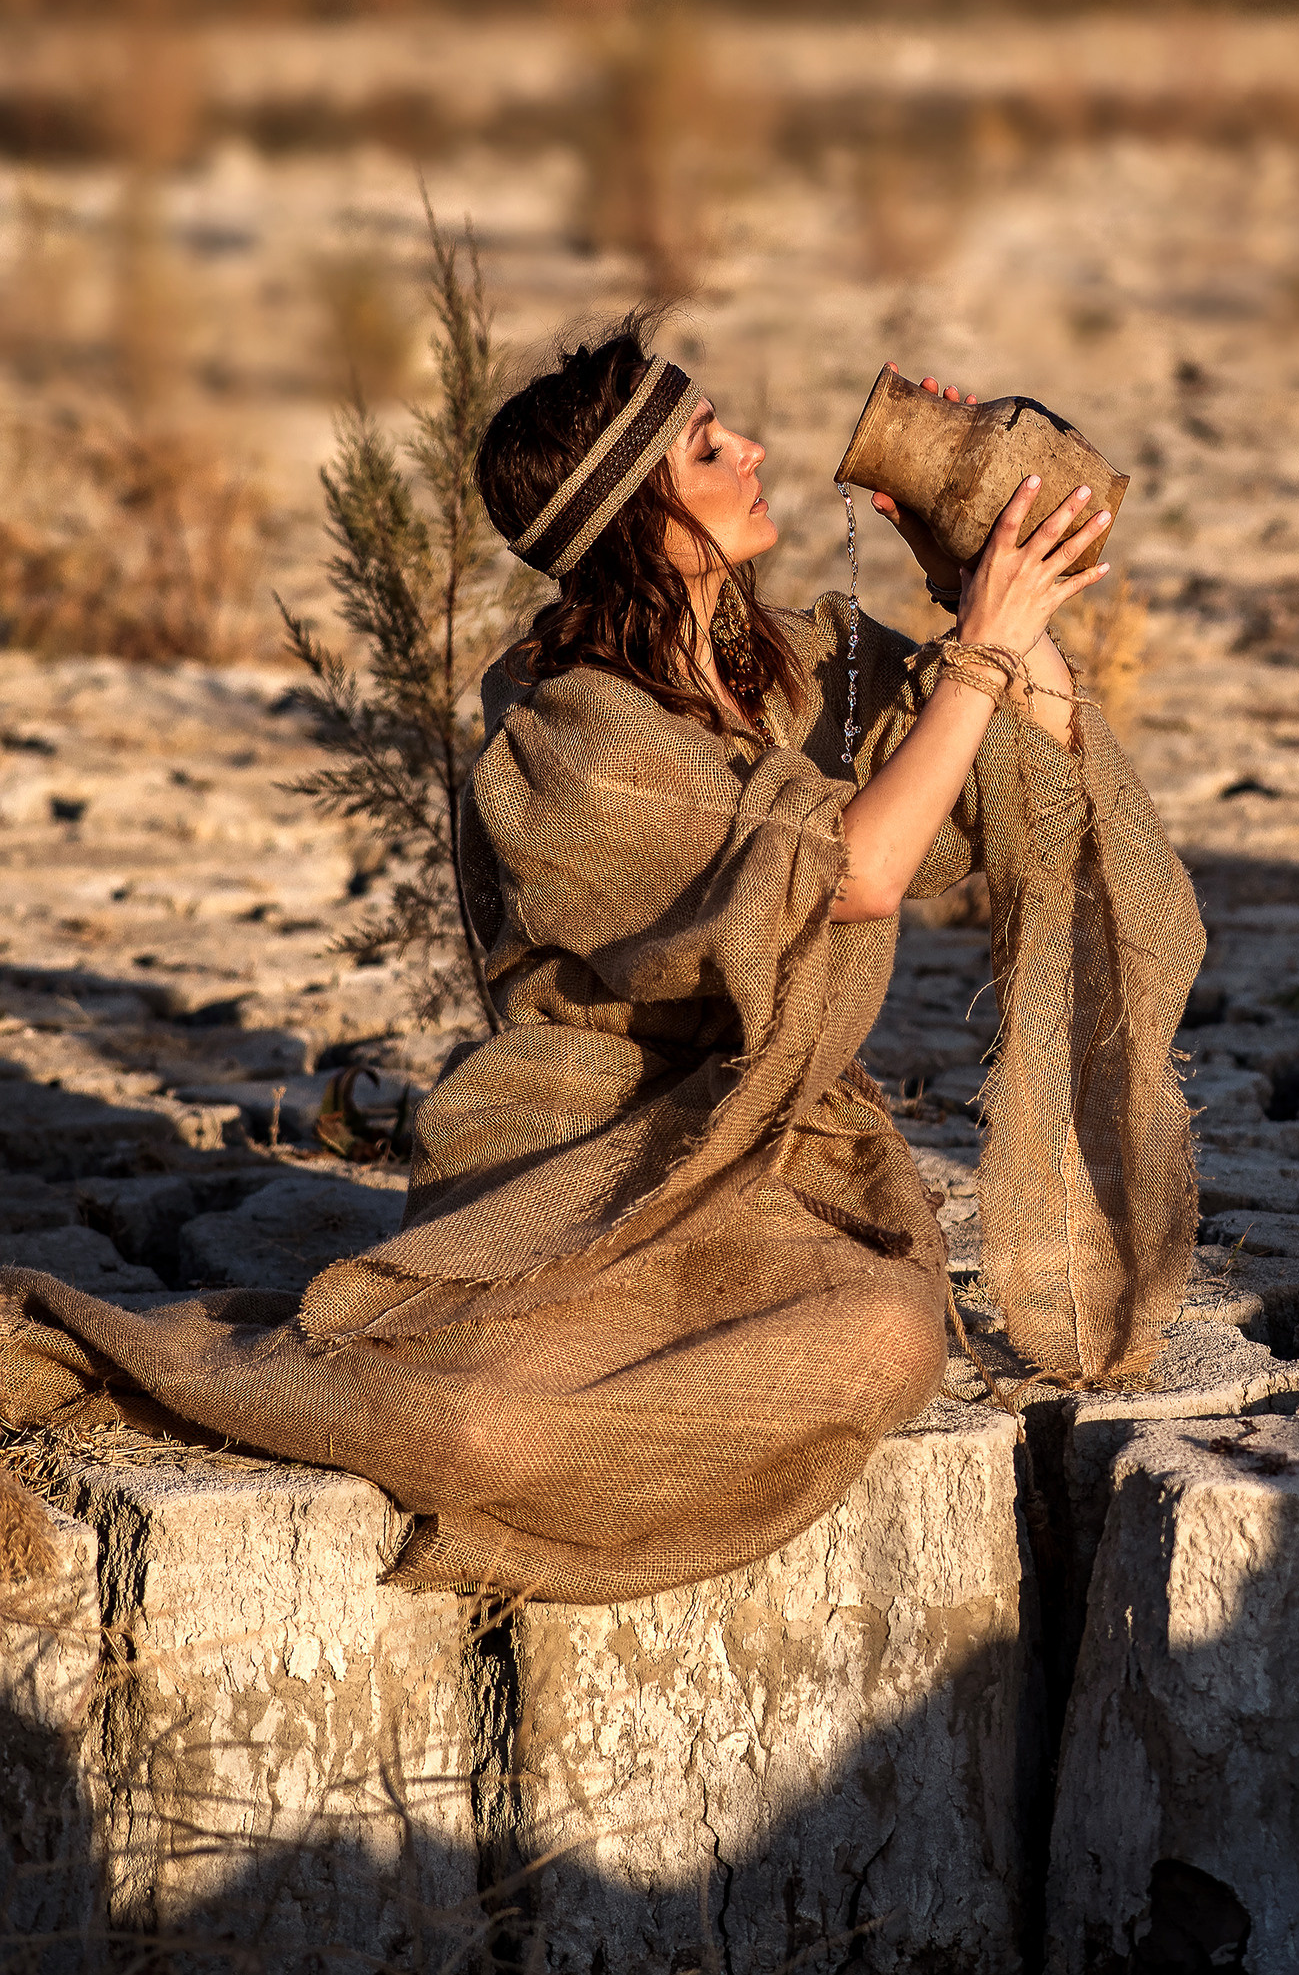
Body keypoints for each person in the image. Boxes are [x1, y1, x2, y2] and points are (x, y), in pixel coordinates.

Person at [0, 318, 1204, 1604]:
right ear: (636, 514)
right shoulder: (574, 738)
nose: (751, 449)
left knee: (887, 1338)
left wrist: (972, 569)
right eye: (704, 446)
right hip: (578, 1154)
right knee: (472, 1429)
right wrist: (975, 644)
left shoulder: (785, 663)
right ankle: (138, 1364)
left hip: (768, 1150)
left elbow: (1032, 746)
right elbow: (854, 874)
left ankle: (587, 1422)